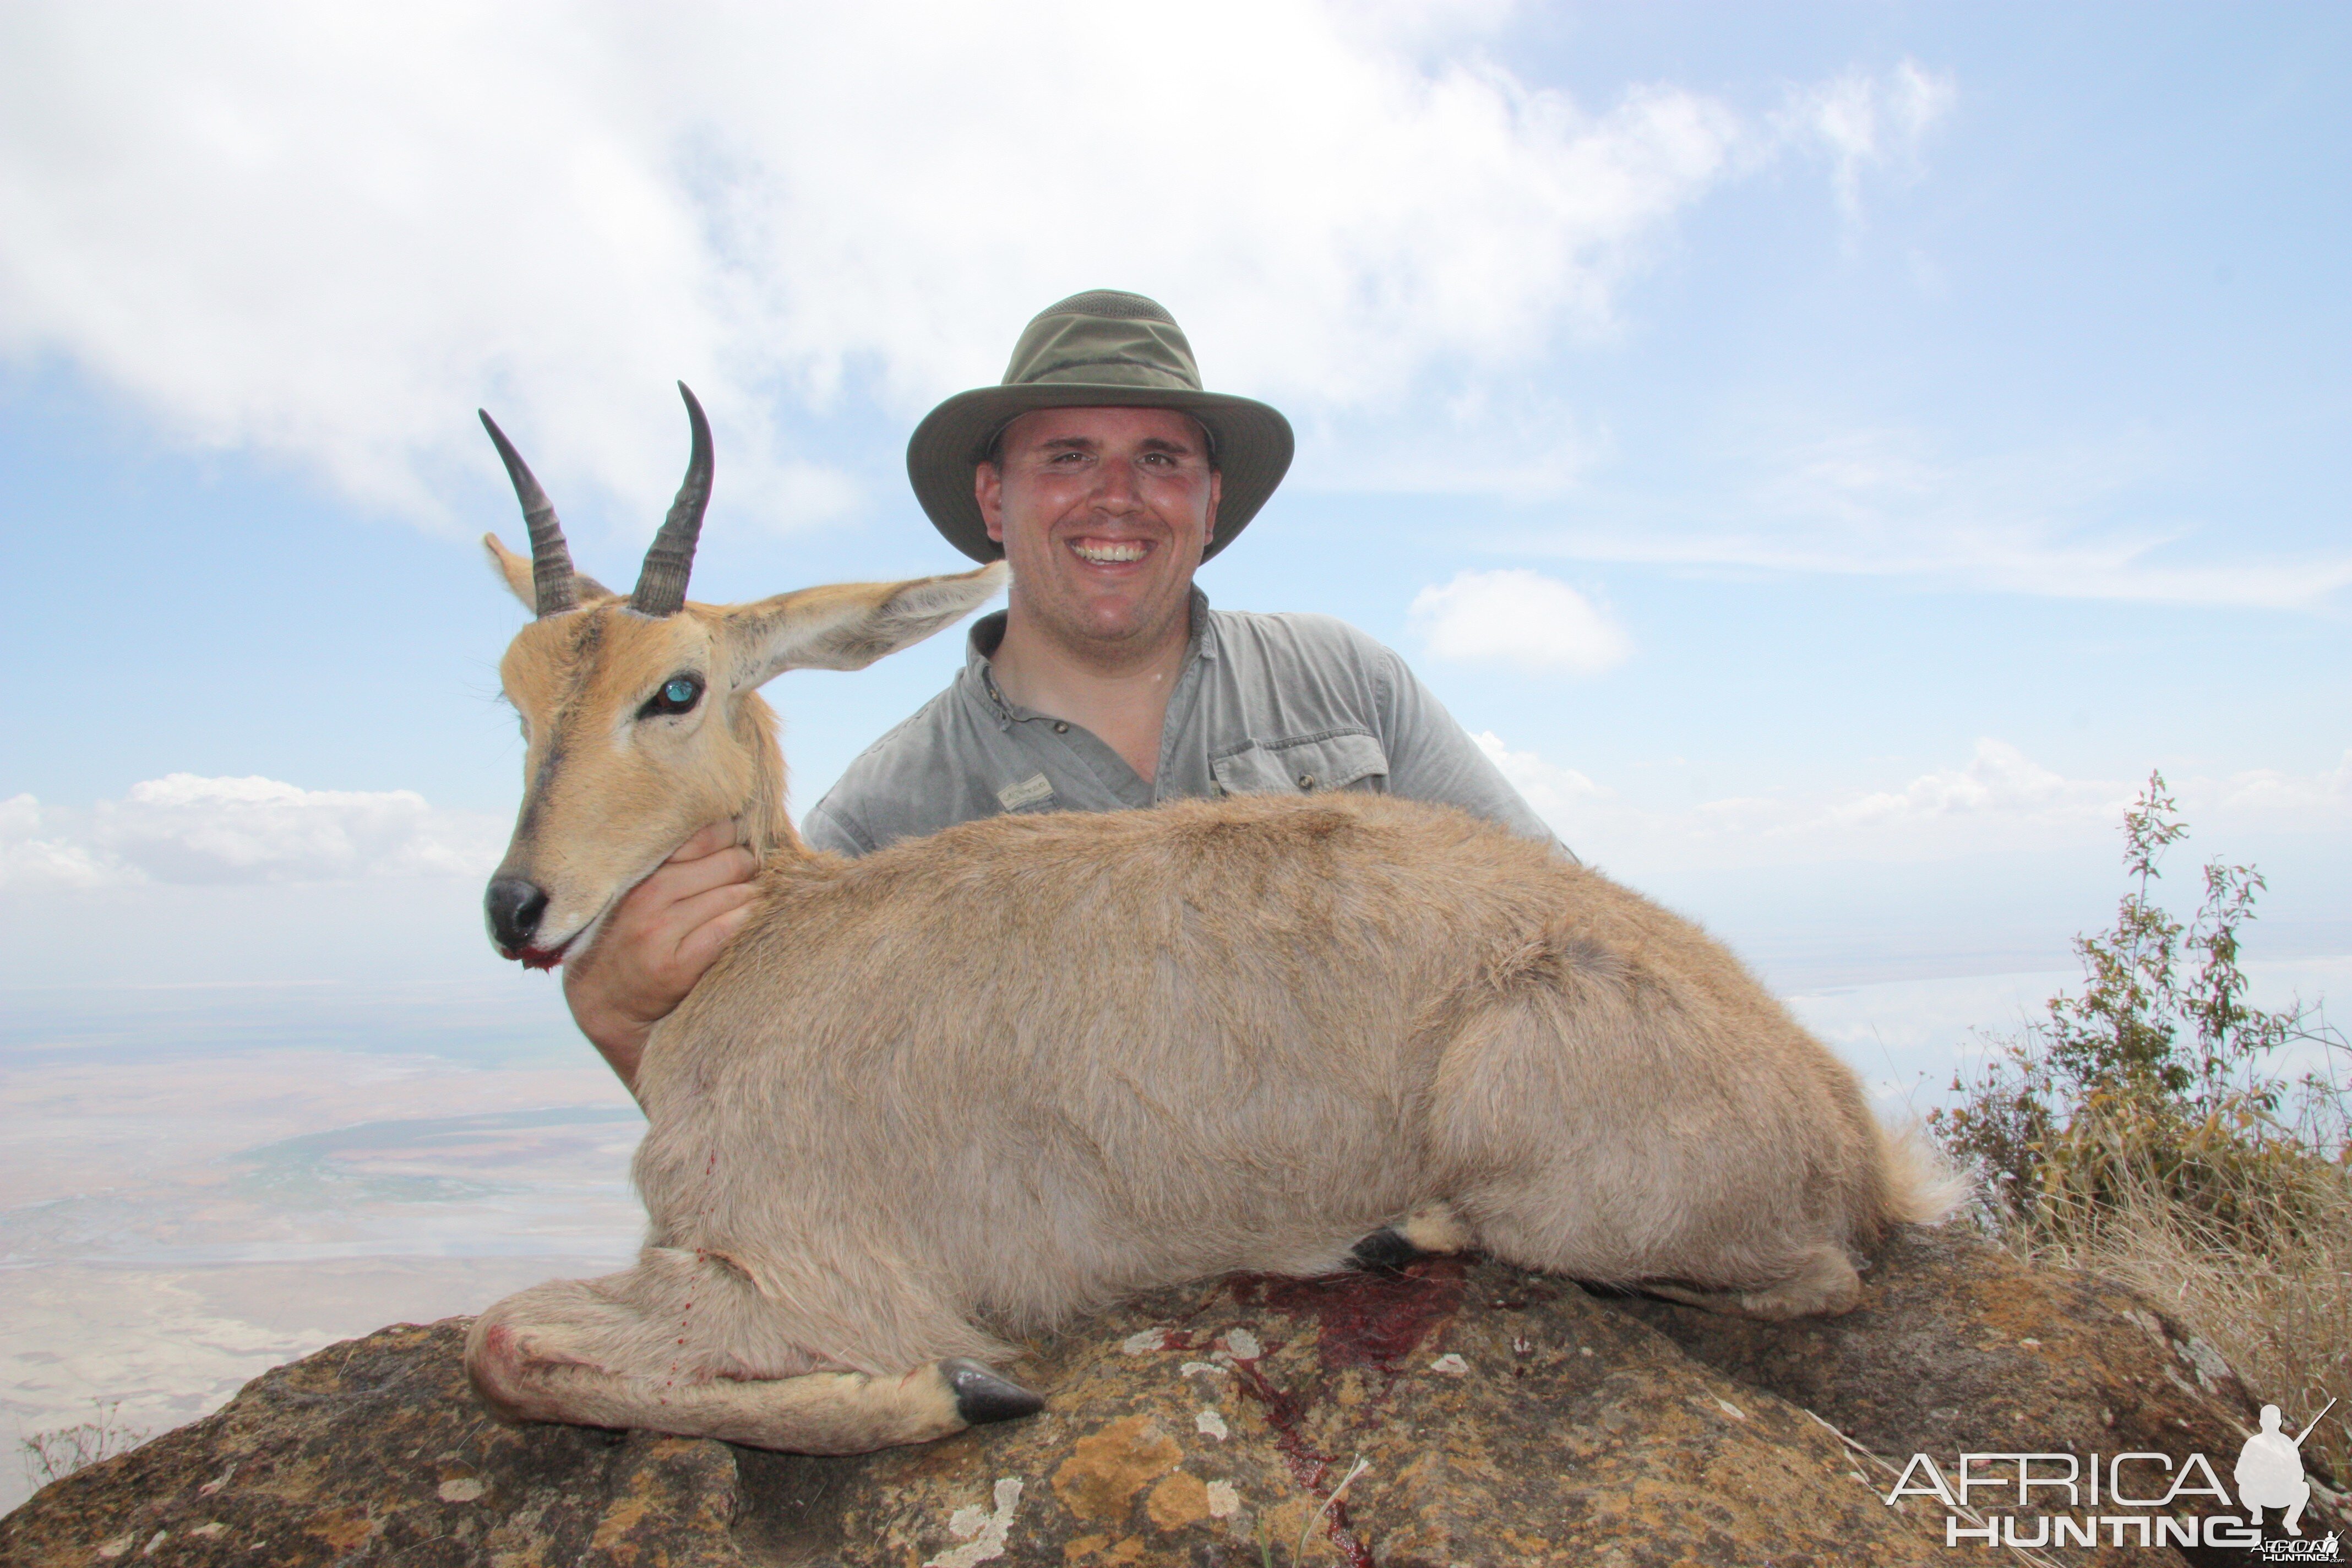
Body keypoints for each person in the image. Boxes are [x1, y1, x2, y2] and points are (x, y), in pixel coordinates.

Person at [563, 290, 1563, 1074]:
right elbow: (788, 1143)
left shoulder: (1348, 685)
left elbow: (1559, 925)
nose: (1116, 496)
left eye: (1161, 459)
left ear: (1209, 502)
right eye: (1069, 456)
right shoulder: (880, 824)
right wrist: (618, 1016)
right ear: (995, 497)